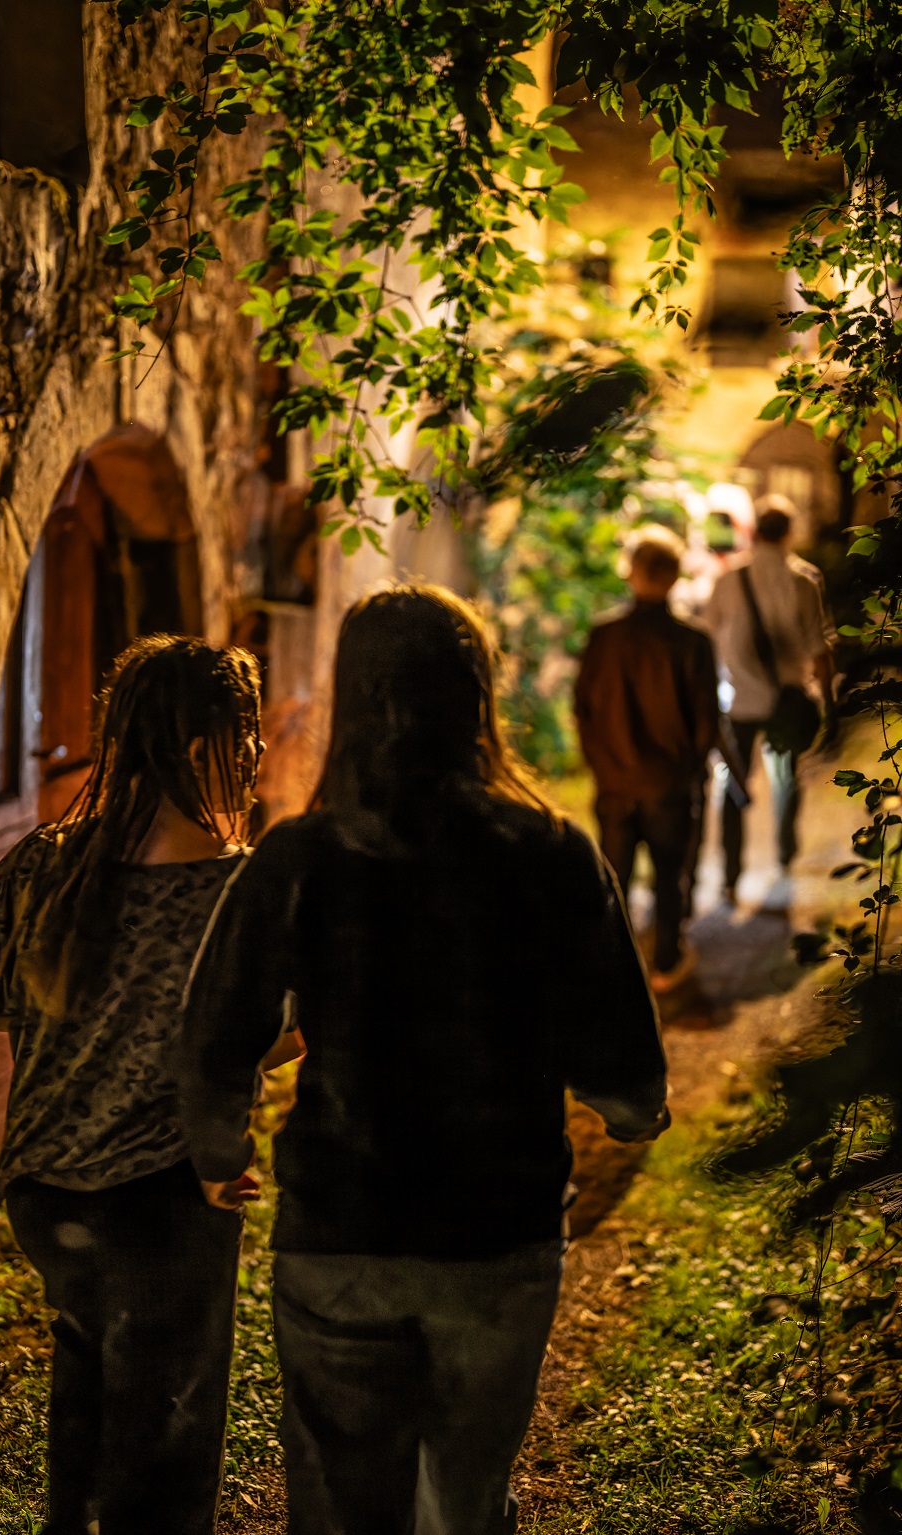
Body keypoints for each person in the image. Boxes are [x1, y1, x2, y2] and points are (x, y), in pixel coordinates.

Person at [180, 583, 669, 1535]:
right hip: (498, 1236)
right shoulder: (553, 851)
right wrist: (632, 1109)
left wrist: (217, 1153)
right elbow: (621, 1061)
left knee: (338, 1503)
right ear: (476, 694)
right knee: (464, 1498)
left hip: (341, 1228)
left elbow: (214, 1031)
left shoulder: (299, 855)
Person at [0, 635, 293, 1535]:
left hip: (44, 1191)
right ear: (202, 748)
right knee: (168, 1435)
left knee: (88, 1373)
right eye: (247, 734)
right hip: (163, 1198)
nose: (258, 752)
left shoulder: (43, 859)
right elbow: (266, 1036)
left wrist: (78, 1023)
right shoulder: (237, 888)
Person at [574, 525, 720, 992]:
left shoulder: (604, 636)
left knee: (613, 878)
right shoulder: (693, 641)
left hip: (615, 782)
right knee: (669, 877)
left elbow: (583, 709)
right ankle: (665, 962)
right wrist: (688, 772)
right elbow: (706, 722)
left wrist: (601, 765)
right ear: (675, 576)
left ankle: (611, 965)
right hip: (669, 785)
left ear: (631, 573)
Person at [704, 497, 835, 903]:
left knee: (734, 786)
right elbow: (820, 652)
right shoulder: (805, 581)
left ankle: (730, 877)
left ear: (755, 532)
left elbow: (707, 640)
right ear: (789, 534)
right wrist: (830, 706)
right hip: (788, 702)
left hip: (740, 701)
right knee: (787, 779)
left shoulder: (729, 581)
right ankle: (784, 856)